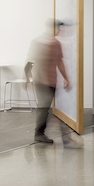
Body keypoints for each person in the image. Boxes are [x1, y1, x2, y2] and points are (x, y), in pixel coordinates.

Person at [27, 18, 77, 146]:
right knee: (45, 108)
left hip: (51, 82)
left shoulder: (55, 43)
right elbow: (29, 62)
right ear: (52, 28)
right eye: (58, 28)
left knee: (48, 108)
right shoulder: (38, 42)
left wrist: (66, 78)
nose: (60, 30)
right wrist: (27, 78)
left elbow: (59, 62)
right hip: (41, 81)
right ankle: (40, 134)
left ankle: (48, 135)